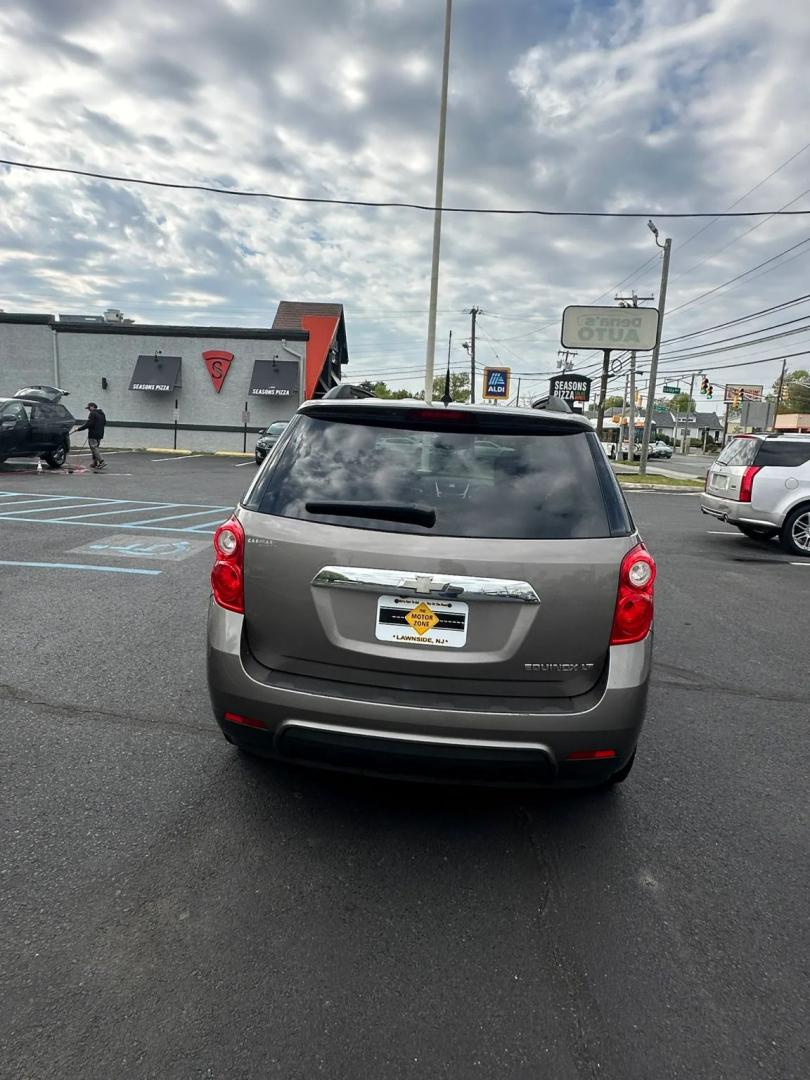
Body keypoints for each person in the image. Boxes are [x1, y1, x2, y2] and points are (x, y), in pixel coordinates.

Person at [73, 402, 107, 470]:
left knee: (94, 448)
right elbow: (104, 423)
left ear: (92, 407)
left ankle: (101, 461)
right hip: (100, 434)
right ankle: (95, 463)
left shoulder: (92, 413)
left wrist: (78, 429)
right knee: (95, 448)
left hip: (93, 434)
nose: (88, 409)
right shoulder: (102, 414)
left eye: (89, 408)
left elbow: (89, 424)